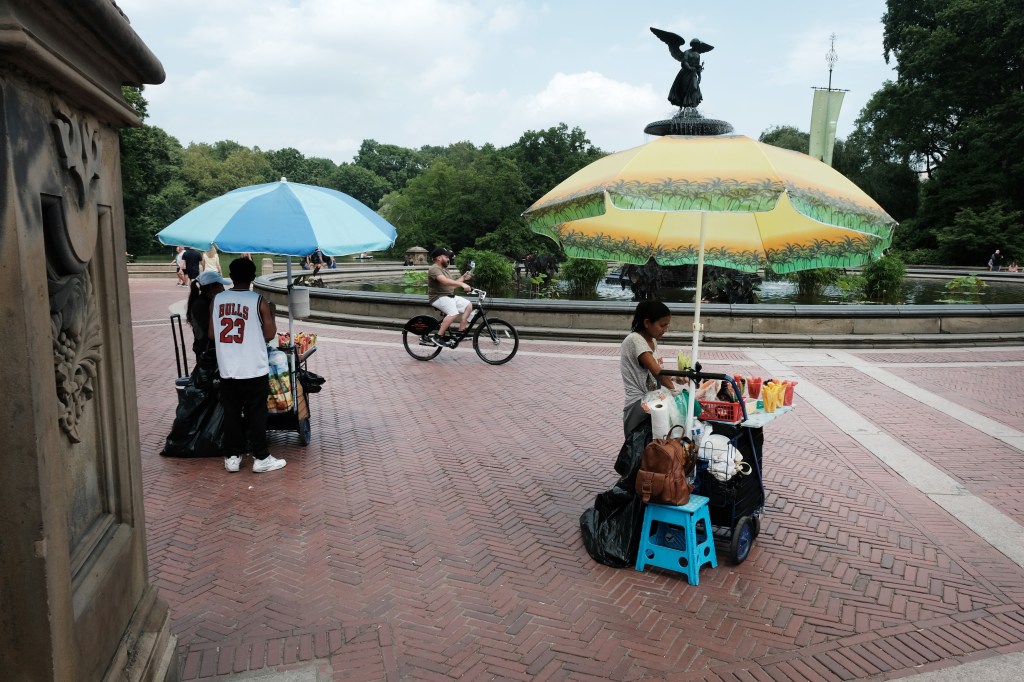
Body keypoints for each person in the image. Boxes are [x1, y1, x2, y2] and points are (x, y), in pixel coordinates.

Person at [209, 257, 286, 474]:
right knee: (256, 414)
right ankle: (261, 457)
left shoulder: (217, 300)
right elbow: (270, 334)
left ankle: (232, 457)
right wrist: (271, 313)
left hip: (227, 368)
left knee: (231, 413)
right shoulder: (258, 300)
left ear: (230, 276)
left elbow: (212, 333)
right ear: (253, 277)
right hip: (253, 367)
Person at [620, 300, 677, 438]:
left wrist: (676, 378)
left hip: (652, 399)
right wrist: (675, 392)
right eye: (662, 325)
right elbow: (657, 371)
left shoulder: (652, 340)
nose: (665, 330)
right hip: (638, 405)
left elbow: (660, 371)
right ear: (647, 323)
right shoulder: (635, 340)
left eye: (667, 325)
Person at [426, 247, 473, 348]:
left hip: (449, 297)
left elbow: (453, 284)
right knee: (453, 313)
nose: (449, 259)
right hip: (438, 297)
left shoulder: (445, 269)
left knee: (468, 306)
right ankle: (438, 336)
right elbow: (444, 281)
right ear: (439, 258)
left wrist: (463, 278)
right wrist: (462, 285)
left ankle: (460, 333)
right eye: (446, 257)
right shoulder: (434, 268)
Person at [187, 270, 231, 363]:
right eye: (220, 285)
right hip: (206, 352)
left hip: (212, 349)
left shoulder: (210, 301)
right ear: (212, 288)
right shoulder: (201, 304)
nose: (223, 289)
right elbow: (210, 330)